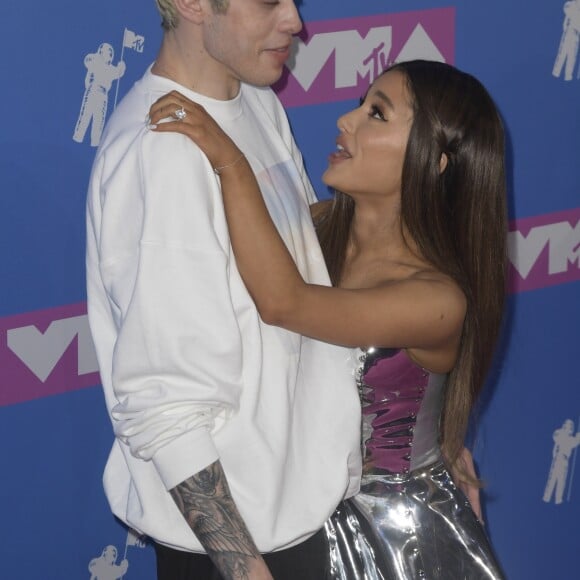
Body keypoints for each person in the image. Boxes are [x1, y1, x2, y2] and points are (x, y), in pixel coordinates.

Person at [148, 59, 507, 578]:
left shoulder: (437, 298)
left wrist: (230, 158)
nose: (346, 119)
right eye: (361, 103)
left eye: (377, 114)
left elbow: (284, 302)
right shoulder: (312, 229)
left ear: (437, 161)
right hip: (291, 515)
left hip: (395, 540)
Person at [85, 1, 363, 579]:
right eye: (267, 1)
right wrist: (247, 569)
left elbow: (305, 282)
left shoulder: (256, 99)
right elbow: (164, 404)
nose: (295, 22)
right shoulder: (164, 151)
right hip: (237, 552)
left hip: (301, 522)